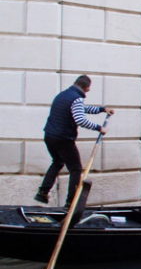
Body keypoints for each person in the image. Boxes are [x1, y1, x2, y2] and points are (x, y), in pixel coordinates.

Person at [35, 74, 115, 206]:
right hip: (63, 139)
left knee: (57, 162)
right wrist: (99, 128)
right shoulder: (76, 99)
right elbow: (80, 119)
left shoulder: (63, 95)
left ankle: (42, 193)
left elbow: (83, 109)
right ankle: (71, 202)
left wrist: (102, 109)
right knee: (76, 169)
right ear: (86, 88)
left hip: (49, 136)